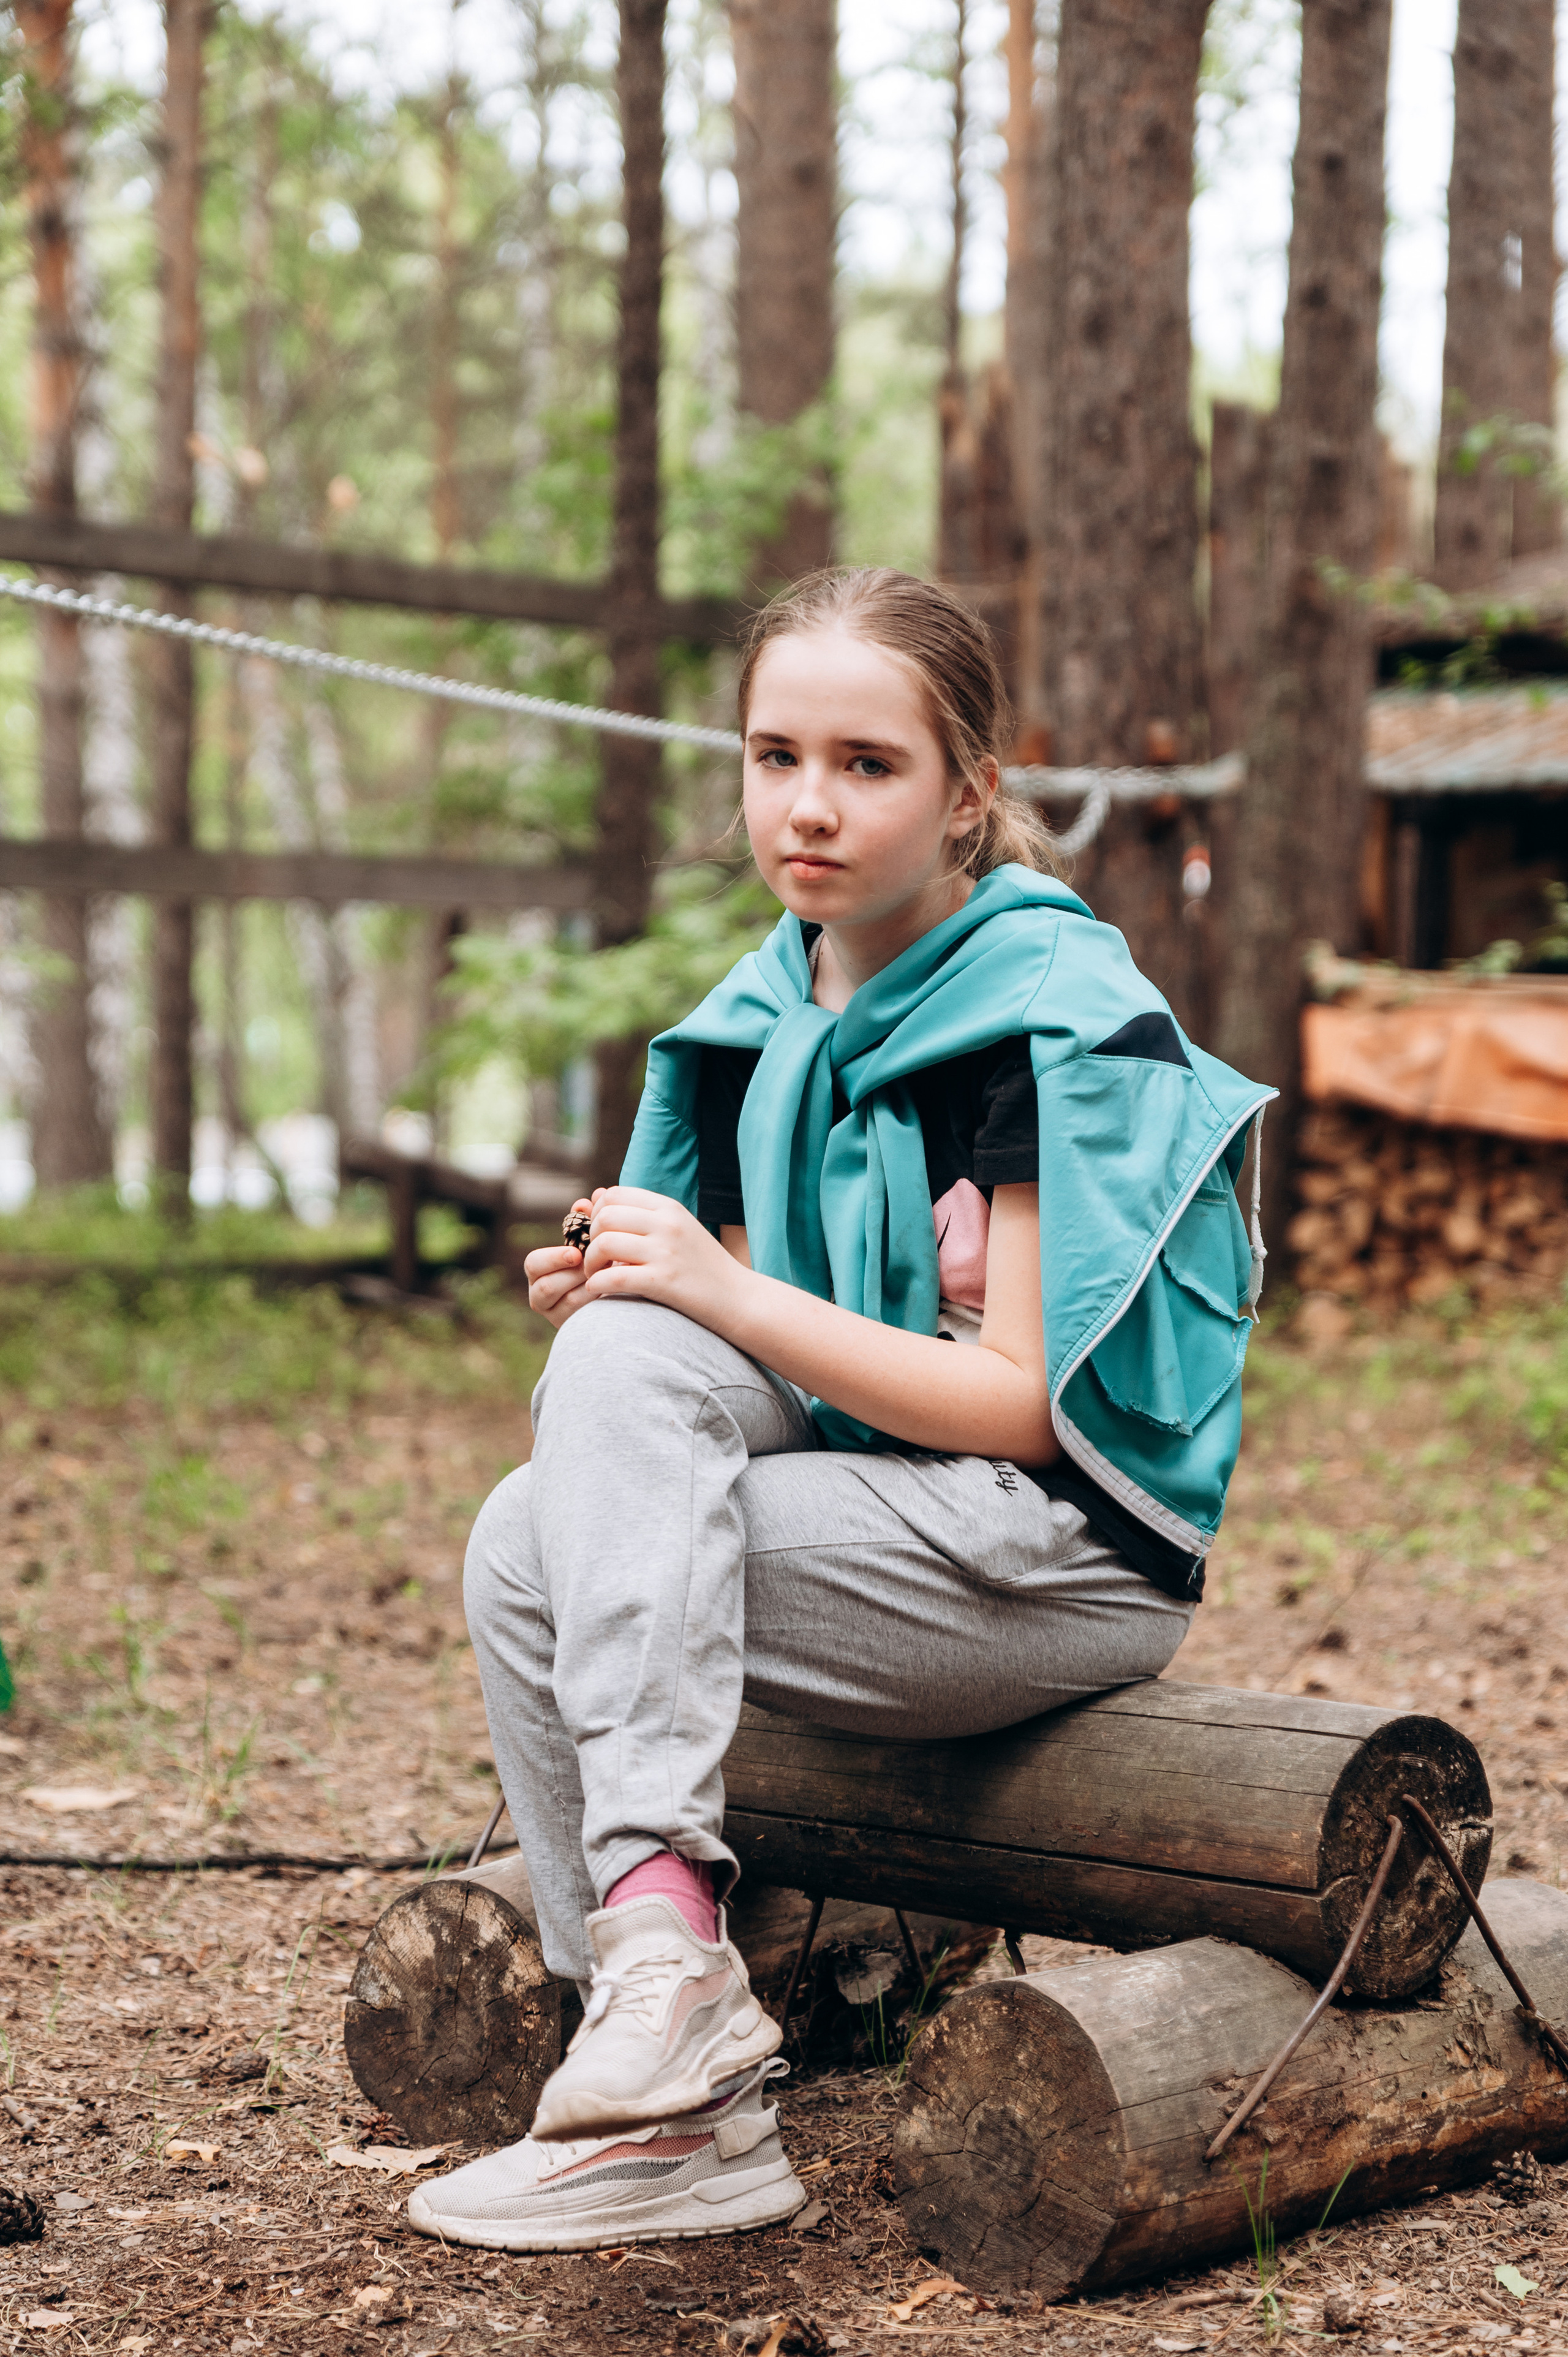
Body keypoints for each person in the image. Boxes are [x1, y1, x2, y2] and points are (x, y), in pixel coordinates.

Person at [409, 567, 1273, 2254]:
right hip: (882, 1506)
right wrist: (637, 1303)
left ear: (969, 791)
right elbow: (762, 1363)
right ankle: (657, 2022)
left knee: (558, 1524)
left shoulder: (1042, 1018)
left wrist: (717, 1291)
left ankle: (668, 2039)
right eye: (773, 754)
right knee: (541, 1499)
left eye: (868, 765)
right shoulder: (769, 1012)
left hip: (1048, 1559)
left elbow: (1024, 1408)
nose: (808, 804)